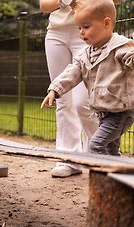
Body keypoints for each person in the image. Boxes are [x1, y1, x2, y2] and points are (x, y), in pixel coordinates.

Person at [41, 0, 134, 156]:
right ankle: (118, 175)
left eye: (86, 27)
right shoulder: (87, 53)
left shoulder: (120, 47)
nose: (81, 32)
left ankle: (101, 178)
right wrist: (54, 90)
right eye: (79, 28)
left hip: (121, 112)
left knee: (96, 145)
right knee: (111, 150)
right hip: (105, 112)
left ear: (106, 23)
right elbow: (72, 72)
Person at [40, 0, 99, 178]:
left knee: (84, 102)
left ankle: (98, 156)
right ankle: (68, 158)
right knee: (63, 100)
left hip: (89, 29)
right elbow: (44, 5)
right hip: (56, 33)